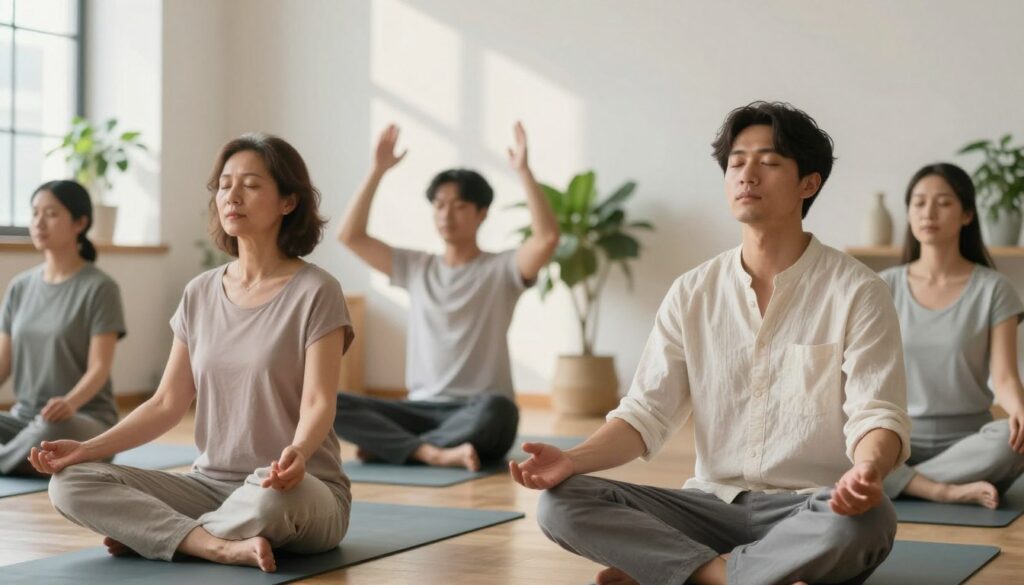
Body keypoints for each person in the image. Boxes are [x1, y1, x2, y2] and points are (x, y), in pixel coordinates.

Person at [511, 102, 911, 585]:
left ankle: (677, 570)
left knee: (872, 520)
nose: (747, 174)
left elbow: (877, 413)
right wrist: (571, 459)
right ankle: (734, 575)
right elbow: (644, 414)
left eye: (768, 161)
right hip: (707, 506)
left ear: (809, 183)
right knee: (561, 502)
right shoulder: (692, 291)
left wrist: (866, 473)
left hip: (807, 509)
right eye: (737, 162)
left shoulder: (859, 291)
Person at [30, 133, 354, 573]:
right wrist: (87, 449)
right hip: (207, 485)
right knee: (69, 485)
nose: (232, 196)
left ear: (288, 202)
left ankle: (165, 534)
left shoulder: (317, 291)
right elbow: (167, 403)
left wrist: (298, 450)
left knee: (271, 502)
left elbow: (319, 401)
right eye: (224, 185)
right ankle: (213, 544)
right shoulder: (200, 293)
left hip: (292, 487)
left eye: (251, 185)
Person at [334, 122, 558, 471]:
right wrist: (377, 170)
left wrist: (524, 172)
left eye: (458, 206)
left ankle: (395, 449)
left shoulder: (502, 269)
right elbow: (350, 236)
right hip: (418, 409)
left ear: (482, 213)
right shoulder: (415, 266)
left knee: (500, 412)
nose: (446, 215)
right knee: (329, 402)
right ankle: (431, 452)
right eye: (439, 205)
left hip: (476, 410)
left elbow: (546, 239)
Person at [880, 162, 1024, 509]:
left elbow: (1003, 376)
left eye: (943, 202)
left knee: (1012, 439)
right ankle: (941, 490)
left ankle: (895, 484)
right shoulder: (882, 286)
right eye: (918, 202)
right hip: (894, 438)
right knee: (835, 439)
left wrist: (1020, 408)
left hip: (969, 442)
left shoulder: (994, 289)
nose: (929, 212)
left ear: (967, 215)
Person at [0, 180, 125, 476]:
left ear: (80, 222)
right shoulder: (20, 286)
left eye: (51, 214)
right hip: (25, 420)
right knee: (39, 430)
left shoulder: (100, 288)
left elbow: (99, 368)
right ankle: (17, 456)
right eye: (34, 213)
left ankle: (9, 458)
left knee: (52, 427)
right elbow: (4, 362)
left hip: (82, 419)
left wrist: (70, 403)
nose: (39, 223)